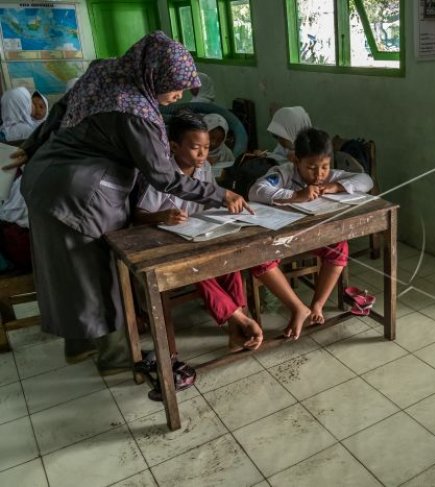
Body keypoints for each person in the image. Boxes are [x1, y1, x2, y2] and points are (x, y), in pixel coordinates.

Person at [10, 31, 248, 373]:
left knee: (67, 271)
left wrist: (34, 145)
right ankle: (116, 356)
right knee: (104, 272)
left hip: (47, 179)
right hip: (80, 194)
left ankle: (80, 344)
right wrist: (221, 194)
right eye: (174, 86)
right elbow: (163, 176)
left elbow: (61, 108)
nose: (178, 95)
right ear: (154, 74)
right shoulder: (135, 110)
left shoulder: (105, 71)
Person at [134, 111, 263, 351]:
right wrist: (161, 216)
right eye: (196, 148)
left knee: (230, 262)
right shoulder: (161, 175)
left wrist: (229, 205)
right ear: (174, 146)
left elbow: (211, 197)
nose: (203, 153)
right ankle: (241, 321)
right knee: (200, 268)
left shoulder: (203, 168)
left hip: (199, 233)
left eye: (206, 147)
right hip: (169, 241)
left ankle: (237, 323)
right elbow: (137, 215)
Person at [248, 127, 373, 339]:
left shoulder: (329, 177)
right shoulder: (284, 173)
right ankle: (298, 307)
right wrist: (295, 195)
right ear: (296, 160)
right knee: (259, 259)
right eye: (311, 168)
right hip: (283, 238)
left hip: (314, 237)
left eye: (324, 167)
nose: (318, 174)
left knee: (339, 247)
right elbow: (256, 190)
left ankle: (317, 305)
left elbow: (366, 180)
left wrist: (336, 186)